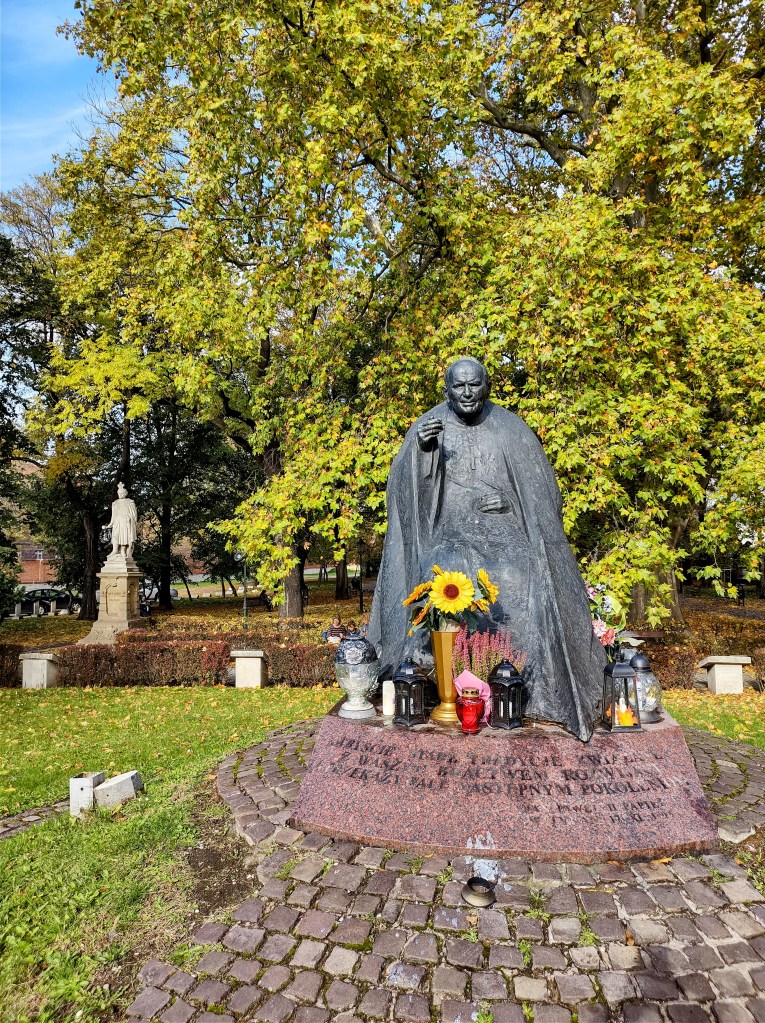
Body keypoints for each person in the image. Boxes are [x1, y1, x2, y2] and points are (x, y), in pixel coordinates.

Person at [367, 357, 606, 742]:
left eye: (474, 385)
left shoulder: (511, 429)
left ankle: (526, 686)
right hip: (448, 529)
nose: (466, 393)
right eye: (458, 386)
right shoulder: (429, 426)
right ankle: (442, 683)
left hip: (503, 530)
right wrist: (423, 453)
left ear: (486, 386)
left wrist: (509, 500)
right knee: (442, 567)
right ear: (446, 390)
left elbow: (543, 495)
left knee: (525, 573)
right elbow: (405, 500)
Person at [109, 482, 138, 558]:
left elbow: (134, 514)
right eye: (119, 493)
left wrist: (130, 520)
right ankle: (115, 550)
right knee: (115, 535)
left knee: (124, 537)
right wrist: (110, 524)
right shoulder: (115, 503)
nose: (120, 494)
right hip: (117, 521)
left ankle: (123, 552)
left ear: (125, 493)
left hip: (126, 521)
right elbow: (113, 515)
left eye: (122, 493)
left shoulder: (130, 502)